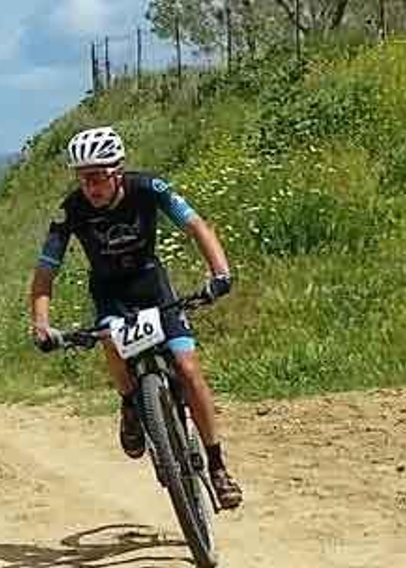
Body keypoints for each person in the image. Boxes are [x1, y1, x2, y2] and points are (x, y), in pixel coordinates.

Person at [27, 126, 244, 509]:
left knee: (188, 370)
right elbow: (45, 272)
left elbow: (196, 226)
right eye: (83, 178)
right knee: (109, 337)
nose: (90, 186)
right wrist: (41, 324)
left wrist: (220, 273)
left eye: (98, 177)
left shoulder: (150, 188)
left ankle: (217, 466)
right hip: (111, 293)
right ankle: (130, 403)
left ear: (118, 171)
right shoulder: (71, 209)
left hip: (152, 286)